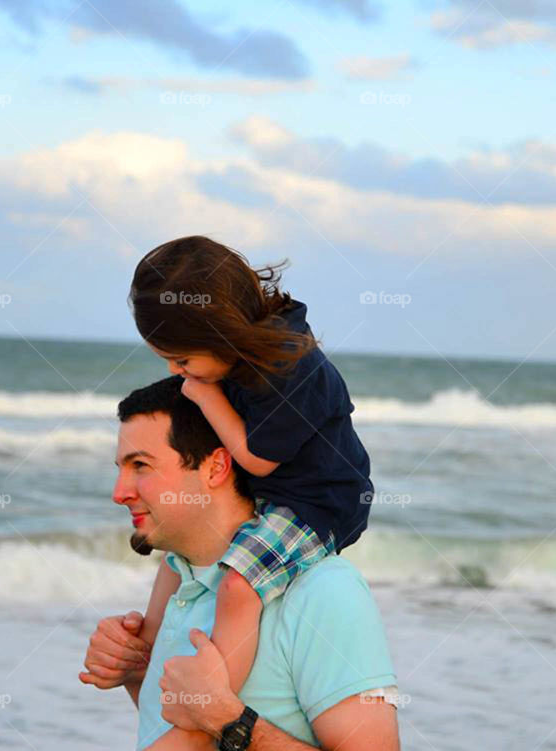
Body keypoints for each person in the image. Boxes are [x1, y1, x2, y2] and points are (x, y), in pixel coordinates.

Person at [80, 376, 400, 750]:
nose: (119, 493)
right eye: (120, 468)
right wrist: (138, 674)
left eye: (141, 466)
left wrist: (230, 720)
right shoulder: (178, 581)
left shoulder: (324, 591)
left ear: (216, 468)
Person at [126, 235, 374, 695]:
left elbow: (257, 460)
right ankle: (147, 647)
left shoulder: (289, 367)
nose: (178, 372)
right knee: (178, 554)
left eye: (182, 359)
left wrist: (206, 394)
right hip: (278, 487)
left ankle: (212, 697)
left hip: (318, 501)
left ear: (220, 333)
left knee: (239, 582)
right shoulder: (239, 353)